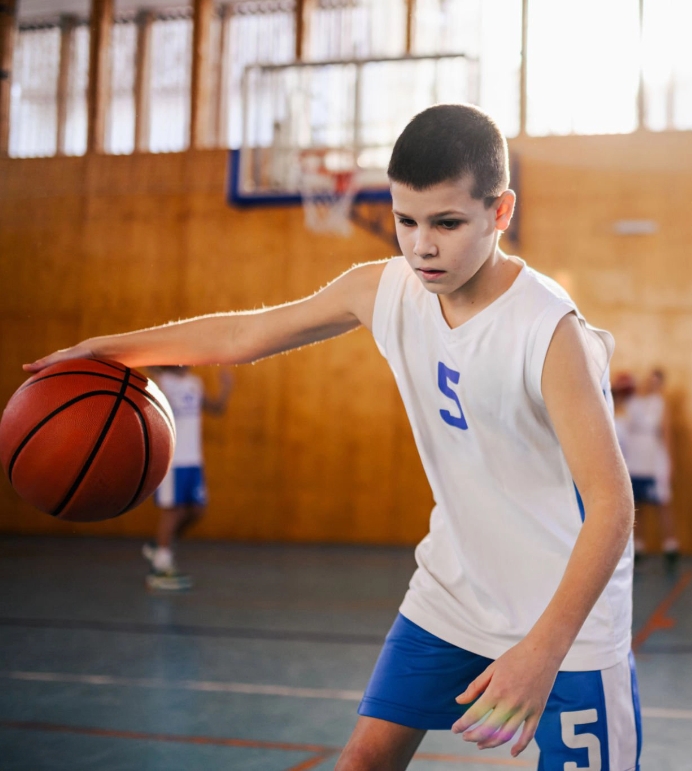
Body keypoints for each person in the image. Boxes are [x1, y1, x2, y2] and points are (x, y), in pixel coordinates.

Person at [25, 104, 640, 770]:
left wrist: (542, 649)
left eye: (447, 223)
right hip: (455, 587)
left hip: (566, 616)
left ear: (500, 212)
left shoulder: (549, 332)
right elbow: (242, 335)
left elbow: (612, 505)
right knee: (362, 760)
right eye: (406, 220)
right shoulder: (383, 290)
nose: (422, 245)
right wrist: (105, 351)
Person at [142, 365, 233, 590]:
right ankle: (160, 569)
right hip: (173, 460)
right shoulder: (161, 381)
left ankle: (160, 547)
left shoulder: (194, 382)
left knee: (196, 511)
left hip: (193, 460)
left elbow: (217, 409)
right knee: (174, 511)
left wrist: (226, 388)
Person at [625, 368, 679, 569]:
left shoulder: (661, 405)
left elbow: (666, 433)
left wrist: (670, 461)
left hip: (653, 457)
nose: (651, 385)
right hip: (634, 457)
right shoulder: (632, 403)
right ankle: (637, 545)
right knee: (637, 503)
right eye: (650, 381)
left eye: (656, 382)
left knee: (662, 502)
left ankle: (670, 545)